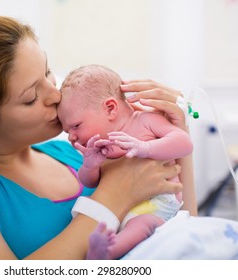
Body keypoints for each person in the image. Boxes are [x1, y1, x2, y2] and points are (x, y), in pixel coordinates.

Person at [0, 11, 195, 259]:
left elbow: (182, 234)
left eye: (47, 71)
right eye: (31, 97)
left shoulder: (77, 153)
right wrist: (112, 198)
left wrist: (175, 131)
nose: (56, 94)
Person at [57, 64, 193, 259]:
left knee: (142, 224)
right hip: (120, 210)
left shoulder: (144, 120)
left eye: (76, 126)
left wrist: (146, 148)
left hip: (158, 206)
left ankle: (106, 253)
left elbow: (184, 143)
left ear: (110, 108)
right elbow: (89, 182)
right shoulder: (98, 147)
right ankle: (105, 249)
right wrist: (90, 166)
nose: (71, 137)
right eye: (67, 132)